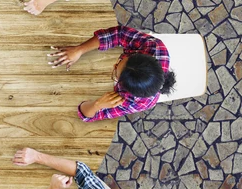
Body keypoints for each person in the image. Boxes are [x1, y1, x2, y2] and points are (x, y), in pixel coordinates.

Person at [48, 25, 176, 121]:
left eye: (116, 73)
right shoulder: (155, 48)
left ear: (125, 88)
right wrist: (79, 50)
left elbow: (86, 116)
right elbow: (119, 33)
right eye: (121, 61)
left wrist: (97, 104)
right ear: (140, 54)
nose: (115, 64)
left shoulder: (131, 102)